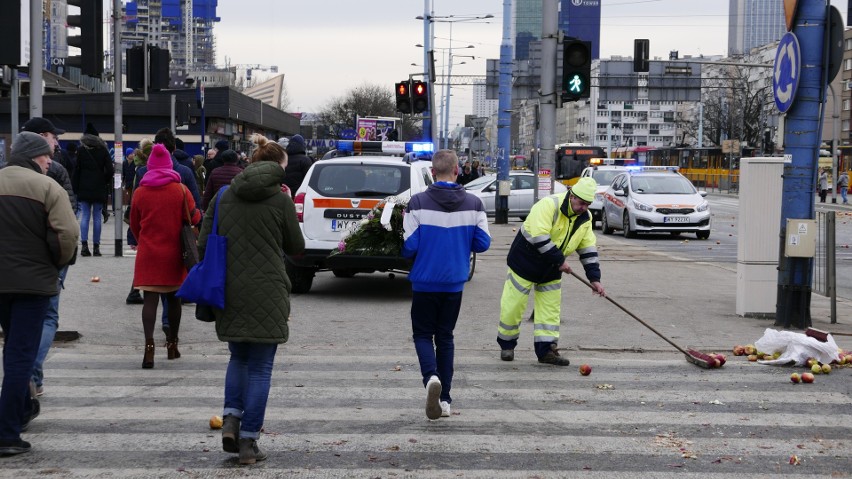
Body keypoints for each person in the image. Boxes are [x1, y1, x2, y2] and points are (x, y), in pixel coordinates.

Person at [200, 134, 303, 465]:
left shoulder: (223, 195)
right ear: (277, 169)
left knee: (238, 358)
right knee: (260, 367)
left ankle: (231, 417)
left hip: (229, 288)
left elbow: (203, 242)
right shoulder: (280, 199)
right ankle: (248, 442)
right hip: (268, 290)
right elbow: (295, 246)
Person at [0, 132, 79, 456]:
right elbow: (67, 234)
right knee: (20, 355)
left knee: (11, 348)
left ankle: (20, 410)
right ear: (34, 156)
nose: (50, 161)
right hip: (33, 286)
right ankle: (7, 432)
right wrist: (56, 263)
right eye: (47, 156)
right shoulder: (48, 188)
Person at [402, 149, 492, 420]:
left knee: (422, 334)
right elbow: (483, 243)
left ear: (432, 173)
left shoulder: (417, 203)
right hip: (454, 283)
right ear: (457, 171)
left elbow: (409, 247)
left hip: (424, 282)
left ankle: (431, 377)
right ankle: (446, 399)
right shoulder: (475, 204)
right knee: (445, 337)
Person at [496, 177, 605, 366]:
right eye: (581, 203)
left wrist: (595, 278)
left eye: (587, 205)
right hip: (525, 261)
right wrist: (560, 261)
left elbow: (588, 249)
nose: (584, 208)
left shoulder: (585, 218)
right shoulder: (548, 205)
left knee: (550, 310)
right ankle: (507, 345)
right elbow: (539, 237)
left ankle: (546, 350)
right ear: (572, 196)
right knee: (513, 306)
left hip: (551, 268)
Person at [20, 118, 79, 397]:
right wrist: (63, 258)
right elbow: (69, 216)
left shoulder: (6, 174)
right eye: (54, 137)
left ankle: (28, 377)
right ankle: (31, 375)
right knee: (48, 315)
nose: (57, 142)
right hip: (50, 255)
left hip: (17, 258)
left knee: (19, 319)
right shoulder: (54, 170)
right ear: (43, 138)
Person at [129, 144, 201, 369]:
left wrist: (145, 239)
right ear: (169, 165)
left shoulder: (140, 192)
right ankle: (172, 345)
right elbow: (195, 216)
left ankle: (149, 349)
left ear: (150, 166)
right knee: (173, 301)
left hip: (149, 252)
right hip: (174, 253)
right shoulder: (180, 190)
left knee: (149, 300)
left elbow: (134, 224)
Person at [73, 123, 114, 257]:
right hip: (98, 187)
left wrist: (75, 187)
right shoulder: (103, 150)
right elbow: (110, 169)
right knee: (97, 217)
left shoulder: (80, 151)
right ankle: (96, 247)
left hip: (84, 187)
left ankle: (84, 246)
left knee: (85, 216)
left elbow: (76, 170)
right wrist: (104, 180)